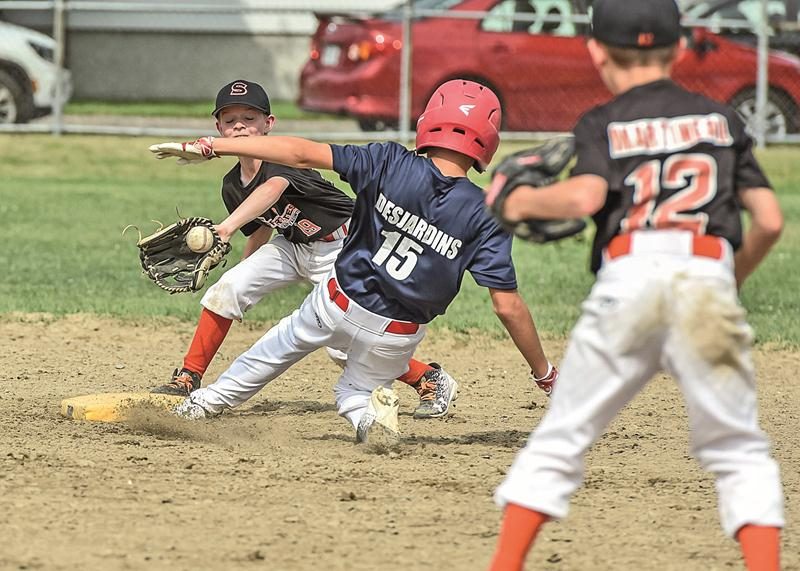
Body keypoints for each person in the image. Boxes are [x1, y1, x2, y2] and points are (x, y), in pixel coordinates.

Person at [485, 0, 784, 569]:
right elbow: (769, 220)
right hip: (705, 279)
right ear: (678, 48)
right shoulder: (723, 120)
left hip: (629, 277)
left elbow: (584, 199)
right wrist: (728, 278)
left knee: (563, 438)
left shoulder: (602, 121)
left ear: (596, 50)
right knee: (738, 449)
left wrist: (515, 199)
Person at [149, 79, 558, 442]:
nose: (237, 125)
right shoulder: (487, 213)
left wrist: (212, 151)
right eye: (229, 121)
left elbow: (289, 168)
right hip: (377, 315)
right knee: (344, 383)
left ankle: (203, 404)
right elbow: (507, 305)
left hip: (336, 275)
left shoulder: (387, 162)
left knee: (300, 346)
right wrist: (544, 374)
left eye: (247, 118)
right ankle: (360, 413)